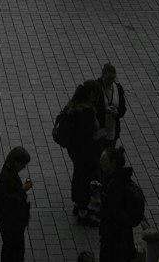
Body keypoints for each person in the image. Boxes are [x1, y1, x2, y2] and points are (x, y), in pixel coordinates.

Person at [54, 81, 106, 224]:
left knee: (79, 176)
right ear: (91, 94)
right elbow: (88, 137)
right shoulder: (86, 112)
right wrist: (100, 135)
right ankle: (83, 212)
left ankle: (78, 205)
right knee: (86, 180)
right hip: (86, 153)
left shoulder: (73, 106)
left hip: (75, 151)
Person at [95, 146, 145, 262]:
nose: (100, 162)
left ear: (113, 163)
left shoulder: (115, 184)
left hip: (114, 238)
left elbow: (113, 211)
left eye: (104, 160)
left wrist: (100, 212)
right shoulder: (119, 178)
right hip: (122, 236)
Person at [0, 147, 32, 262]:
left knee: (11, 248)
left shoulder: (9, 172)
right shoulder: (5, 178)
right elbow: (7, 202)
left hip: (13, 223)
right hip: (11, 223)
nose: (24, 167)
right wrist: (22, 190)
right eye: (23, 164)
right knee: (12, 249)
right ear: (16, 162)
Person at [98, 63, 128, 143]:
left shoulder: (118, 88)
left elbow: (123, 109)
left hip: (113, 131)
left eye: (112, 79)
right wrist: (104, 111)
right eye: (107, 79)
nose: (110, 82)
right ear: (103, 76)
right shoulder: (96, 87)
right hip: (98, 131)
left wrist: (116, 112)